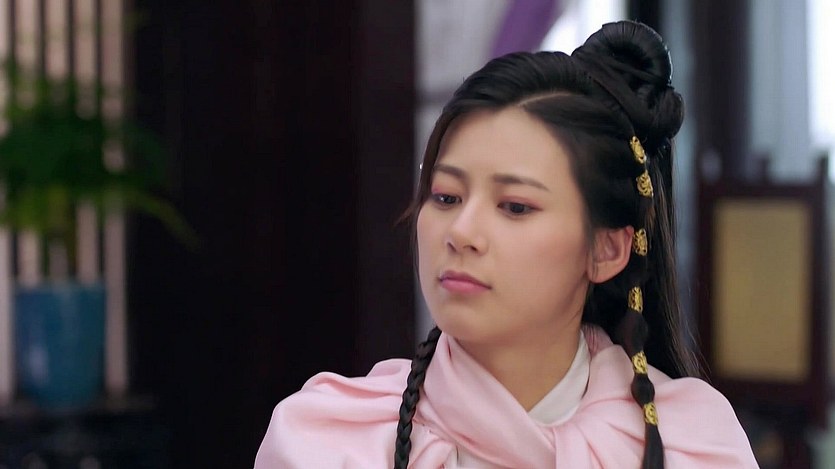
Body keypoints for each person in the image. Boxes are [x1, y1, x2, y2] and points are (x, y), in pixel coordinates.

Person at [253, 20, 759, 468]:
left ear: (606, 250)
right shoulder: (327, 441)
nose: (461, 233)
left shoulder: (689, 445)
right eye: (446, 197)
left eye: (515, 206)